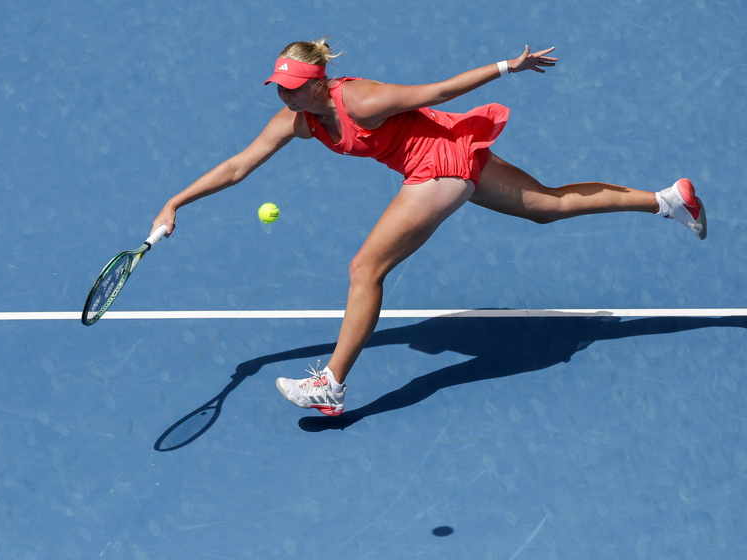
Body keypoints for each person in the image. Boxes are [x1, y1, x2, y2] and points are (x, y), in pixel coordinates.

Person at [151, 38, 707, 417]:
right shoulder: (295, 120)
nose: (284, 94)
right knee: (548, 206)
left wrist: (507, 67)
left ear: (320, 84)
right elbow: (237, 166)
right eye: (279, 85)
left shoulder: (362, 100)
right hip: (454, 155)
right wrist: (176, 201)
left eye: (293, 86)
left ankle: (331, 385)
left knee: (365, 268)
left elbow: (437, 93)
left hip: (438, 168)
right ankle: (667, 201)